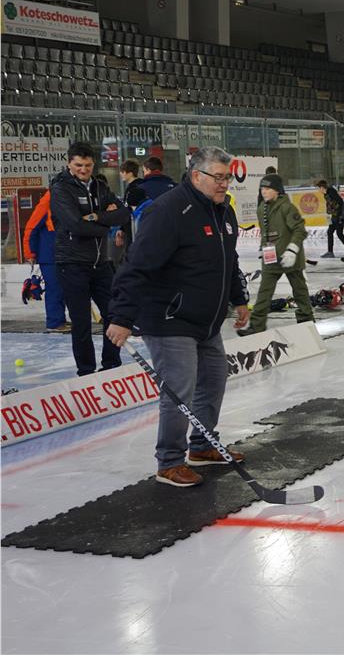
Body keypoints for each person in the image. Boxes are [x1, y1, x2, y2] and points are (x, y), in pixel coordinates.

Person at [106, 147, 251, 488]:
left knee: (213, 382)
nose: (225, 184)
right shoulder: (169, 211)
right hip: (169, 318)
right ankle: (169, 461)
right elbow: (137, 265)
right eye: (219, 177)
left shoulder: (223, 210)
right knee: (179, 390)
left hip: (207, 320)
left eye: (228, 177)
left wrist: (238, 298)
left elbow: (227, 260)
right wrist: (122, 316)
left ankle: (201, 445)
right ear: (197, 176)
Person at [50, 142, 131, 376]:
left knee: (113, 314)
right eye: (78, 165)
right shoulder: (61, 189)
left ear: (93, 164)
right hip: (72, 263)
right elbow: (75, 225)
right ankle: (86, 371)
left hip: (101, 262)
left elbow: (124, 214)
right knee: (81, 321)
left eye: (87, 165)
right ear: (69, 163)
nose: (83, 170)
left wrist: (95, 217)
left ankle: (111, 365)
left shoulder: (100, 186)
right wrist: (106, 224)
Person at [239, 174, 315, 336]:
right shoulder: (261, 208)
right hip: (271, 258)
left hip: (290, 259)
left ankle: (306, 322)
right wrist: (263, 248)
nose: (264, 192)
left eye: (268, 189)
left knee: (300, 292)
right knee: (264, 292)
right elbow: (265, 233)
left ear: (277, 190)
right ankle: (256, 325)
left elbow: (300, 230)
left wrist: (292, 250)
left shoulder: (287, 208)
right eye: (262, 188)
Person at [21, 191, 70, 333]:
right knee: (55, 289)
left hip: (63, 253)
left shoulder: (66, 198)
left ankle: (59, 320)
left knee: (63, 289)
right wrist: (30, 253)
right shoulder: (48, 201)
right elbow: (31, 228)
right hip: (49, 254)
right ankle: (55, 322)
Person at [316, 179, 344, 259]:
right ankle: (330, 252)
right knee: (330, 232)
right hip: (333, 216)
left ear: (322, 187)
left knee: (339, 233)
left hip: (338, 216)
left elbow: (340, 202)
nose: (318, 190)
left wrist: (339, 216)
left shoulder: (331, 192)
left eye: (319, 188)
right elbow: (330, 204)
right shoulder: (326, 194)